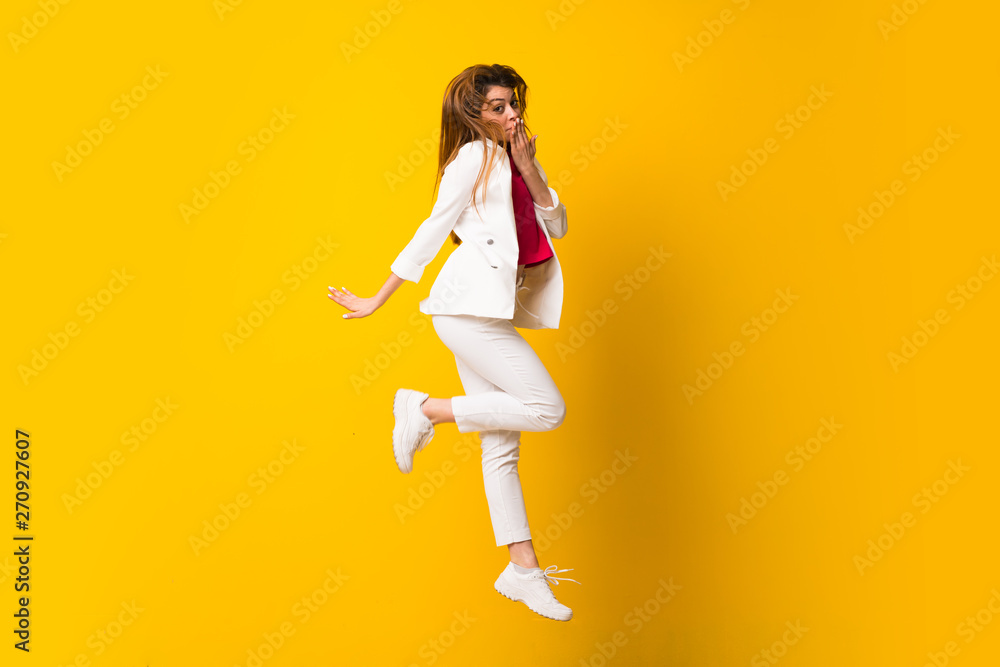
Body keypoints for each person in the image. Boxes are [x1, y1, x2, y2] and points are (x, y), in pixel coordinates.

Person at [328, 64, 580, 621]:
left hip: (490, 310)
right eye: (497, 108)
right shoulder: (470, 159)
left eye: (513, 104)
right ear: (473, 114)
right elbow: (433, 228)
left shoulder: (515, 158)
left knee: (501, 447)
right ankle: (423, 408)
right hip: (464, 311)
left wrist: (530, 167)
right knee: (547, 408)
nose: (512, 115)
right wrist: (377, 298)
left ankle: (522, 569)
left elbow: (556, 224)